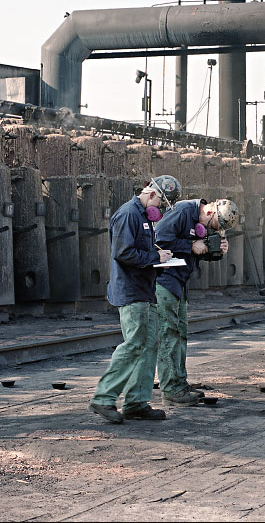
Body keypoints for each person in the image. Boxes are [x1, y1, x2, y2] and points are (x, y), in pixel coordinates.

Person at [88, 175, 181, 424]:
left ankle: (136, 403)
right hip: (131, 292)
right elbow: (123, 252)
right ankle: (104, 398)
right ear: (151, 193)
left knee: (149, 345)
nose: (161, 209)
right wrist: (155, 258)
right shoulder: (128, 214)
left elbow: (140, 251)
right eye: (162, 203)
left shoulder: (143, 217)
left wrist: (159, 257)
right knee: (133, 345)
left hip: (145, 290)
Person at [153, 197, 239, 405]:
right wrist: (191, 245)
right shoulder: (183, 211)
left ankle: (180, 383)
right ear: (210, 213)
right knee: (168, 334)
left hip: (180, 281)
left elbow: (199, 250)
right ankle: (171, 389)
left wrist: (216, 249)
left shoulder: (201, 219)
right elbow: (158, 240)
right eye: (214, 227)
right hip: (164, 280)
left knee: (180, 333)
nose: (212, 230)